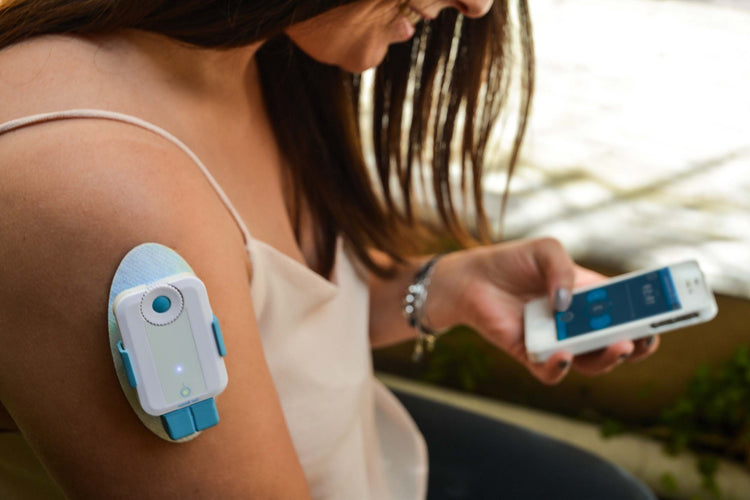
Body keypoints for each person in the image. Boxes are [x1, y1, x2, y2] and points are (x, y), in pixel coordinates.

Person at [0, 1, 660, 498]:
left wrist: (446, 286)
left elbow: (289, 321)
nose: (479, 6)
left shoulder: (258, 55)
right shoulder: (105, 194)